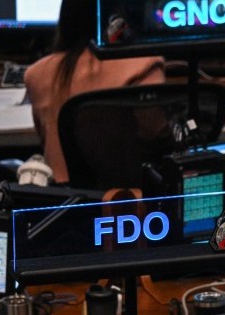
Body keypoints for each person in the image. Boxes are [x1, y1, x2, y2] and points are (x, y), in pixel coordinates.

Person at [24, 0, 165, 184]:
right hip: (127, 198)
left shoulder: (37, 74)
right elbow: (158, 139)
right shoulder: (144, 65)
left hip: (64, 197)